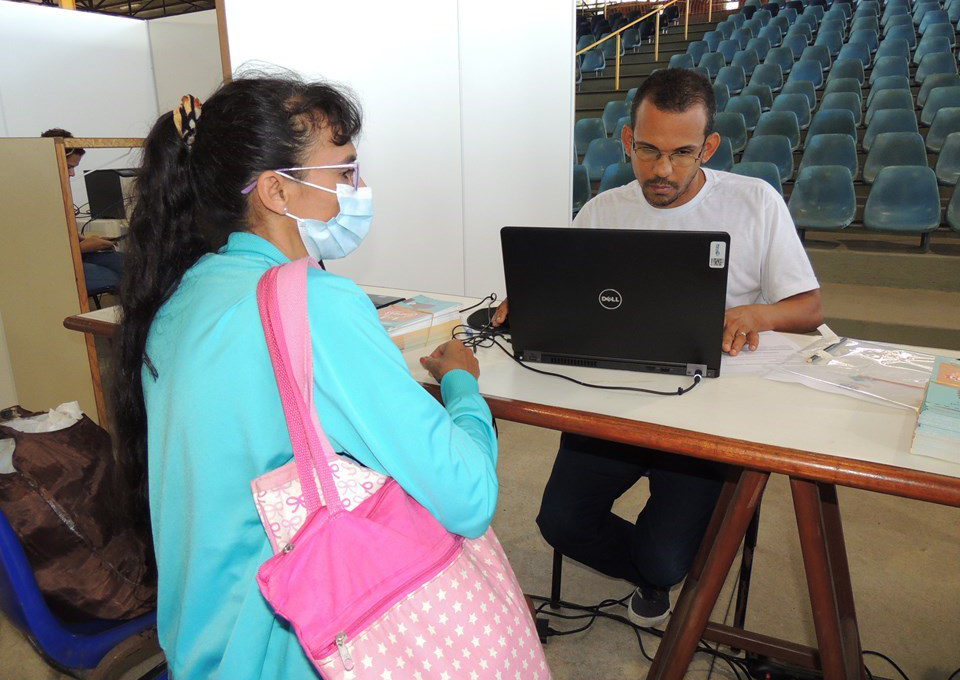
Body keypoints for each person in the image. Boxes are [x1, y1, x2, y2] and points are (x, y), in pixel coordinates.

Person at [112, 77, 500, 679]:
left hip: (203, 642)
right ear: (275, 190)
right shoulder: (318, 306)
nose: (358, 189)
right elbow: (468, 494)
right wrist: (462, 388)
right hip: (293, 650)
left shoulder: (180, 295)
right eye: (343, 172)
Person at [492, 68, 822, 627]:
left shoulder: (754, 202)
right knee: (561, 523)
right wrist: (529, 304)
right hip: (610, 403)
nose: (661, 170)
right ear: (627, 140)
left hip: (705, 415)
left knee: (664, 557)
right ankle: (656, 565)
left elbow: (810, 309)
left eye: (682, 153)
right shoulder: (603, 210)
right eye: (647, 151)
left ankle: (663, 563)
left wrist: (754, 313)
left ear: (709, 147)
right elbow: (572, 298)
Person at [41, 128, 125, 294]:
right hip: (52, 266)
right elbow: (42, 251)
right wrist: (83, 247)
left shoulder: (56, 191)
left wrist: (85, 239)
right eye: (70, 167)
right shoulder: (31, 196)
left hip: (72, 255)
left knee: (132, 265)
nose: (72, 174)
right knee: (117, 277)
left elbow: (60, 232)